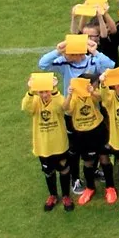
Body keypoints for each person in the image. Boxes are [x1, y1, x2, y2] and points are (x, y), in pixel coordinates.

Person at [24, 73, 74, 212]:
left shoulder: (56, 99)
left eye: (46, 91)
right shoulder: (35, 101)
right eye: (41, 92)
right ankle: (52, 195)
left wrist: (55, 90)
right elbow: (26, 107)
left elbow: (65, 107)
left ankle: (65, 196)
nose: (44, 95)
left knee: (64, 170)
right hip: (43, 146)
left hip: (59, 145)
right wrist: (29, 90)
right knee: (48, 172)